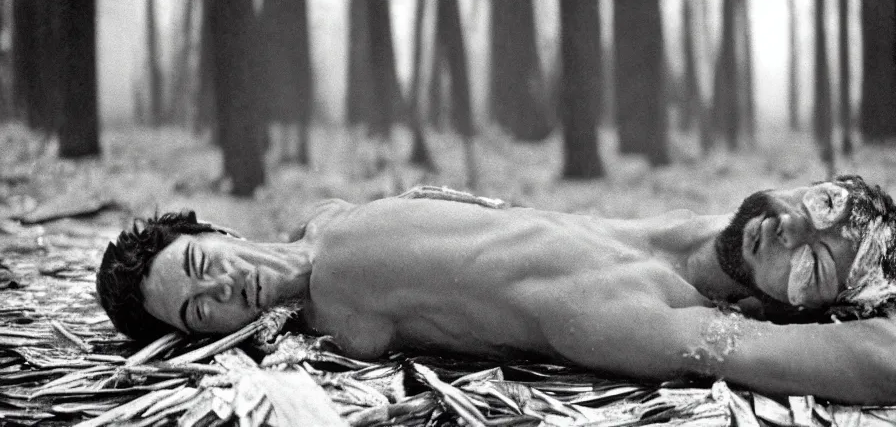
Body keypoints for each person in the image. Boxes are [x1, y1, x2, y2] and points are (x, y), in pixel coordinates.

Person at [97, 175, 896, 405]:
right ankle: (853, 320)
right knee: (726, 341)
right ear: (202, 337)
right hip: (596, 313)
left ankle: (827, 285)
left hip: (637, 241)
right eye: (198, 311)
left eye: (201, 265)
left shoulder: (323, 225)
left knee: (756, 229)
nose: (224, 287)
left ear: (217, 236)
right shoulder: (331, 306)